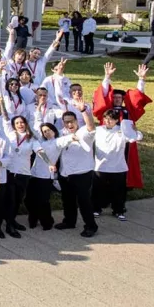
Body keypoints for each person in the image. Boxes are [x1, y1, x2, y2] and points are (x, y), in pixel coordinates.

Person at [54, 97, 98, 237]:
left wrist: (84, 110)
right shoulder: (60, 134)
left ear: (76, 121)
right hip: (65, 173)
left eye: (71, 121)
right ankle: (69, 221)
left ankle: (91, 226)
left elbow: (91, 126)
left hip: (82, 173)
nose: (69, 124)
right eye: (66, 122)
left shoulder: (84, 132)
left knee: (84, 201)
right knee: (67, 199)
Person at [92, 110, 143, 221]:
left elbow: (137, 137)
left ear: (116, 120)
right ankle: (96, 209)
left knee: (118, 191)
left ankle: (118, 210)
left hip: (118, 167)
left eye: (111, 119)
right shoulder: (98, 130)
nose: (108, 121)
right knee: (98, 190)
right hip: (100, 166)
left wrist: (135, 131)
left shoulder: (122, 131)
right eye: (106, 118)